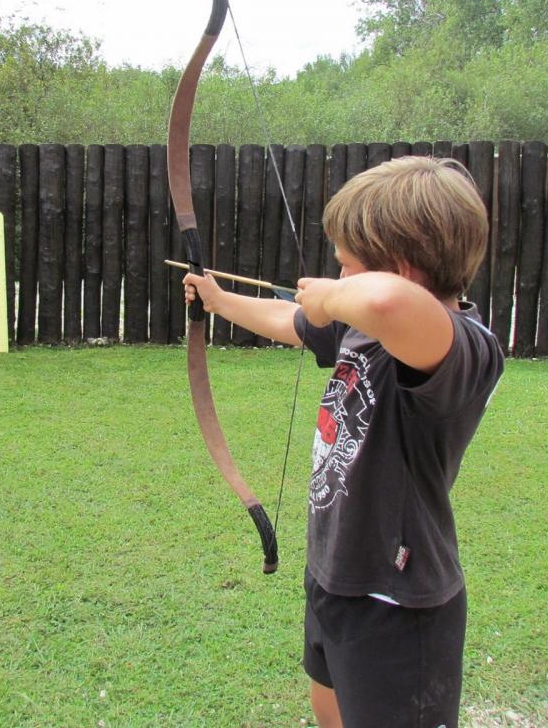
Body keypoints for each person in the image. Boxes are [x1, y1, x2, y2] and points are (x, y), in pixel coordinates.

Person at [183, 156, 504, 728]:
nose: (339, 278)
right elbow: (292, 321)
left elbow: (385, 303)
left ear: (400, 270)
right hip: (336, 574)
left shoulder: (462, 351)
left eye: (347, 267)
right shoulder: (362, 326)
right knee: (328, 707)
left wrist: (332, 297)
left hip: (399, 605)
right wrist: (218, 300)